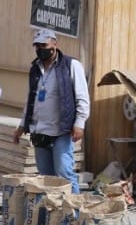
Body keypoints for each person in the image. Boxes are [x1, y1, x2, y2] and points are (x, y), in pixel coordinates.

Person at [13, 28, 90, 194]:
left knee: (64, 174)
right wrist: (21, 125)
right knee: (46, 178)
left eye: (44, 45)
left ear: (54, 44)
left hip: (61, 130)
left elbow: (82, 97)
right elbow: (30, 99)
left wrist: (79, 123)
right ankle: (53, 214)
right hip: (40, 132)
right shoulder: (35, 69)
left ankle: (74, 214)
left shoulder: (71, 65)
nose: (41, 49)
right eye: (37, 46)